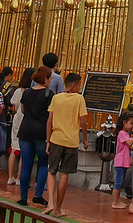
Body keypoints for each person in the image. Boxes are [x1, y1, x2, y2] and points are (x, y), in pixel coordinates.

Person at [44, 72, 87, 217]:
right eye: (79, 85)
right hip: (71, 141)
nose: (80, 87)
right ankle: (57, 208)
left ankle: (50, 202)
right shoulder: (79, 99)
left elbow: (49, 120)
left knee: (51, 171)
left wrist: (48, 140)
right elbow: (83, 121)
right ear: (73, 85)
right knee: (64, 174)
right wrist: (85, 139)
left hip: (56, 139)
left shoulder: (56, 98)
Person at [17, 66, 52, 206]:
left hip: (26, 130)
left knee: (26, 165)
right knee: (43, 163)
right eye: (49, 78)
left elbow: (23, 110)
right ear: (45, 79)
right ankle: (38, 194)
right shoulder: (49, 93)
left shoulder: (27, 92)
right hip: (41, 132)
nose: (50, 81)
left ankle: (23, 197)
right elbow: (50, 115)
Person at [7, 67, 34, 187]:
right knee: (24, 150)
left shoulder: (18, 90)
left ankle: (10, 177)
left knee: (14, 148)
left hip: (17, 119)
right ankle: (19, 178)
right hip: (27, 120)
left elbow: (13, 106)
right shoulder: (31, 91)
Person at [111, 110, 133, 210]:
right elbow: (129, 143)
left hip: (123, 162)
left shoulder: (124, 134)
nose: (132, 126)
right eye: (130, 123)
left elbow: (128, 146)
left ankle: (117, 200)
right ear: (124, 122)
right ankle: (115, 202)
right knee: (118, 182)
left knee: (120, 182)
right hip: (120, 162)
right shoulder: (122, 133)